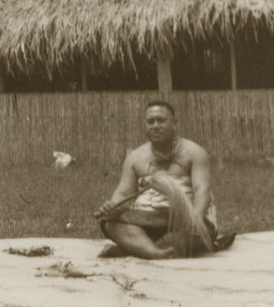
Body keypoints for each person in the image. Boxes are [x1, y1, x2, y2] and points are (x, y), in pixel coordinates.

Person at [94, 99, 234, 260]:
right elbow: (123, 191)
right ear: (145, 125)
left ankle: (137, 248)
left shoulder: (194, 152)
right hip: (147, 219)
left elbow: (202, 190)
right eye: (150, 121)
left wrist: (196, 219)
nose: (155, 125)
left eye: (161, 120)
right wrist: (113, 207)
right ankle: (155, 252)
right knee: (110, 223)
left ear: (174, 123)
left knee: (194, 236)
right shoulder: (135, 157)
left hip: (186, 220)